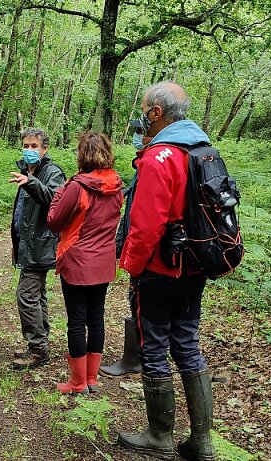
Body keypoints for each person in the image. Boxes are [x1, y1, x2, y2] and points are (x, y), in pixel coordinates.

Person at [117, 82, 216, 461]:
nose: (141, 117)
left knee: (155, 348)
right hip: (195, 266)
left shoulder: (161, 157)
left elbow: (145, 226)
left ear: (156, 112)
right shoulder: (203, 150)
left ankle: (159, 435)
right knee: (187, 344)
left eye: (144, 110)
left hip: (159, 270)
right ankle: (202, 441)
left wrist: (132, 266)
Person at [46, 131, 123, 394]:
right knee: (96, 318)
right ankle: (91, 378)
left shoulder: (76, 187)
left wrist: (59, 194)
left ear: (82, 155)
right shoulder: (116, 185)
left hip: (78, 261)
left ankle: (78, 382)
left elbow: (54, 221)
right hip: (103, 262)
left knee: (77, 321)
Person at [8, 127, 66, 369]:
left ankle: (38, 349)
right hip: (28, 244)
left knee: (27, 295)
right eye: (26, 146)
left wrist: (31, 183)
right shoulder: (26, 171)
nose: (29, 150)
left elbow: (55, 200)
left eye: (34, 146)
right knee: (37, 295)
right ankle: (40, 343)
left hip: (41, 244)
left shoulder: (52, 173)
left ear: (45, 149)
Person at [100, 117, 151, 378]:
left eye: (140, 131)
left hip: (147, 252)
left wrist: (135, 255)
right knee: (139, 302)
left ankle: (139, 359)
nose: (136, 136)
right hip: (137, 246)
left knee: (142, 302)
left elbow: (147, 217)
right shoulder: (142, 165)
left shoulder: (155, 164)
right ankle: (137, 357)